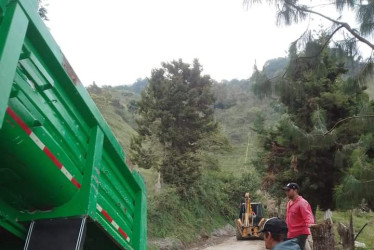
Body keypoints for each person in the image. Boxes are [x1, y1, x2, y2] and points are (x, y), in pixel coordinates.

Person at [283, 183, 315, 250]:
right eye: (286, 190)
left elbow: (308, 216)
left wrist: (310, 224)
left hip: (299, 234)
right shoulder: (289, 203)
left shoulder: (302, 203)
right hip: (290, 234)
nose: (286, 192)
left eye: (288, 190)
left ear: (295, 190)